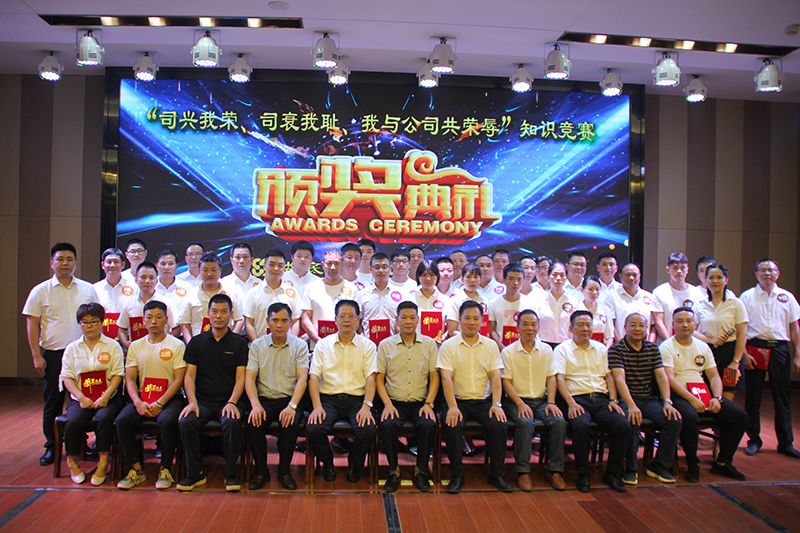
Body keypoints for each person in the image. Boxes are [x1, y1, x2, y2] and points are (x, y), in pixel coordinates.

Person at [23, 242, 99, 466]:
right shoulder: (40, 290)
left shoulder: (87, 289)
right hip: (54, 354)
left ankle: (81, 444)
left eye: (69, 259)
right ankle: (52, 447)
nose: (65, 263)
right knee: (53, 402)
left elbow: (97, 319)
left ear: (75, 262)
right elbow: (32, 324)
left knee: (82, 400)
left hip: (83, 354)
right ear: (52, 263)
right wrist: (36, 356)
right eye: (60, 259)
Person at [661, 307, 748, 482]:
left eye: (689, 321)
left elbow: (714, 376)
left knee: (739, 416)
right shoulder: (667, 346)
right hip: (680, 394)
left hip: (703, 393)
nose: (685, 325)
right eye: (680, 321)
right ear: (672, 324)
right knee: (689, 417)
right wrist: (692, 399)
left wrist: (717, 398)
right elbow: (669, 379)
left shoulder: (703, 346)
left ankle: (723, 463)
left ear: (695, 324)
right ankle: (693, 463)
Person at [437, 300, 510, 493]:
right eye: (467, 318)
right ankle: (457, 475)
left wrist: (496, 404)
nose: (471, 322)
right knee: (452, 424)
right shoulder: (448, 346)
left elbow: (496, 377)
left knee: (499, 424)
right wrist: (452, 407)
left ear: (481, 321)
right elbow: (446, 378)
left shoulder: (490, 346)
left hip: (483, 402)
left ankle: (497, 475)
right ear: (459, 320)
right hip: (457, 401)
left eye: (475, 318)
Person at [178, 294, 249, 492]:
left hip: (230, 399)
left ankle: (231, 473)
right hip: (202, 401)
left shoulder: (239, 343)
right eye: (215, 311)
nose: (219, 316)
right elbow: (189, 377)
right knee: (186, 421)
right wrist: (192, 402)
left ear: (231, 315)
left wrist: (232, 402)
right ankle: (195, 473)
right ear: (208, 314)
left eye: (224, 312)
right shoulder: (196, 342)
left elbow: (241, 378)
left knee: (232, 421)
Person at [554, 310, 631, 493]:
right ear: (571, 328)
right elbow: (559, 379)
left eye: (588, 325)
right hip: (577, 399)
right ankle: (583, 474)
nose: (585, 329)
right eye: (580, 325)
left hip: (602, 399)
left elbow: (609, 376)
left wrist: (613, 399)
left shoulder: (601, 348)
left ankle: (611, 473)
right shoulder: (562, 349)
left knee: (623, 425)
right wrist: (571, 403)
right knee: (580, 425)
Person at [116, 300, 187, 490]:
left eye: (158, 317)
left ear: (166, 319)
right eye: (149, 317)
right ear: (143, 320)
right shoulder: (135, 346)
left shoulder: (177, 345)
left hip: (170, 398)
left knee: (167, 421)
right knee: (123, 420)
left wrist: (160, 403)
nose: (154, 321)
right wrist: (137, 402)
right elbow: (130, 379)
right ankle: (136, 469)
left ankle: (165, 469)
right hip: (143, 397)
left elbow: (179, 380)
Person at [307, 300, 378, 483]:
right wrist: (317, 406)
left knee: (368, 430)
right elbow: (313, 377)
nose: (347, 320)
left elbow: (371, 378)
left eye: (351, 316)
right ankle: (327, 463)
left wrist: (367, 406)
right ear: (335, 319)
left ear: (358, 319)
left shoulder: (368, 346)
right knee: (314, 428)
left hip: (357, 400)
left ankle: (354, 464)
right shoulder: (323, 345)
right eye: (342, 316)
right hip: (329, 400)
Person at [609, 312, 681, 486]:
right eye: (633, 325)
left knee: (674, 419)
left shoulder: (652, 348)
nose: (637, 328)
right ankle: (631, 468)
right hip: (627, 400)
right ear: (625, 328)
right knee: (632, 420)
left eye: (641, 325)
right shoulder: (616, 349)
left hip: (648, 400)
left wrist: (667, 402)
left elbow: (661, 376)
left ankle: (659, 465)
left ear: (646, 329)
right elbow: (619, 380)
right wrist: (631, 405)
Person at [501, 310, 568, 491]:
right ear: (518, 327)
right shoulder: (508, 352)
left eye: (533, 324)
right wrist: (520, 404)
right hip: (517, 401)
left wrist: (551, 402)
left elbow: (551, 378)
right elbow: (506, 382)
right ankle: (523, 471)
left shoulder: (546, 350)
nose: (530, 328)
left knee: (559, 421)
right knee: (525, 422)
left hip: (542, 401)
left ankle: (555, 470)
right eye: (525, 324)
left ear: (538, 327)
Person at [376, 301, 439, 493]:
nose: (408, 321)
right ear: (397, 320)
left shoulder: (429, 344)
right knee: (388, 425)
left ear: (418, 320)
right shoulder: (386, 345)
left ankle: (420, 471)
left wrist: (429, 403)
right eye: (404, 317)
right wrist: (387, 404)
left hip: (421, 403)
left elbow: (434, 377)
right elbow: (379, 378)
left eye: (412, 317)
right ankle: (394, 471)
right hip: (394, 403)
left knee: (429, 424)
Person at [245, 303, 308, 490]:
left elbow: (302, 378)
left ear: (290, 322)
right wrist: (255, 405)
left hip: (290, 400)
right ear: (267, 322)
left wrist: (292, 406)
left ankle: (284, 472)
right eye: (275, 320)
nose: (279, 325)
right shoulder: (257, 346)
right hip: (264, 400)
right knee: (253, 423)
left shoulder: (300, 345)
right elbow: (250, 378)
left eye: (284, 320)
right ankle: (261, 472)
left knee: (290, 423)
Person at [59, 303, 124, 485]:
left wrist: (105, 396)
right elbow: (67, 377)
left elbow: (118, 374)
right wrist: (81, 398)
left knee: (103, 418)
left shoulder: (112, 346)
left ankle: (102, 462)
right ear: (79, 324)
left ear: (102, 322)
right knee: (73, 421)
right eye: (85, 322)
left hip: (108, 397)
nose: (90, 326)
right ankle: (72, 462)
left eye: (94, 321)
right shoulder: (72, 348)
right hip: (80, 398)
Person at [740, 259, 800, 459]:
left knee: (782, 396)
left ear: (778, 273)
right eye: (763, 270)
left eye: (771, 270)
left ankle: (786, 443)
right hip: (755, 347)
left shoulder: (787, 297)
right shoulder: (747, 296)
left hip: (780, 348)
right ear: (756, 274)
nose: (767, 273)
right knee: (753, 395)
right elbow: (742, 328)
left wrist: (798, 354)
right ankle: (753, 440)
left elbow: (795, 328)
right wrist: (744, 354)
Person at [694, 264, 748, 401]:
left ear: (726, 280)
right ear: (706, 280)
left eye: (719, 277)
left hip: (730, 353)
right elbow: (691, 331)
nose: (715, 281)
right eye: (711, 278)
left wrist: (736, 361)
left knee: (726, 402)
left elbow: (742, 335)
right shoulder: (700, 304)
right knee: (707, 398)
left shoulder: (736, 303)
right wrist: (710, 340)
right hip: (707, 352)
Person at [178, 252, 244, 342]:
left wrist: (230, 342)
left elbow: (239, 320)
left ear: (220, 271)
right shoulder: (191, 295)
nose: (209, 274)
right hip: (198, 345)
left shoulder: (231, 294)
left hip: (225, 343)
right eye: (205, 270)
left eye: (213, 270)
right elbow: (185, 323)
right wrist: (191, 345)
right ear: (199, 271)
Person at [300, 249, 358, 350]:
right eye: (329, 263)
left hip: (346, 345)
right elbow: (305, 319)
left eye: (337, 263)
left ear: (342, 264)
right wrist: (318, 340)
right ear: (323, 265)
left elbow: (357, 319)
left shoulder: (352, 289)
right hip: (318, 345)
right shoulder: (312, 287)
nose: (333, 267)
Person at [117, 262, 179, 351]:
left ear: (156, 281)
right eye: (143, 277)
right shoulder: (129, 303)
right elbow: (122, 329)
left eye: (151, 278)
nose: (147, 281)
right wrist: (126, 344)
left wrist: (164, 342)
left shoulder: (167, 303)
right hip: (136, 351)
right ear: (136, 280)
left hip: (160, 351)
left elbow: (176, 329)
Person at [243, 249, 300, 341]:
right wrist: (256, 345)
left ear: (284, 268)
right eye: (272, 264)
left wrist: (292, 344)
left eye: (280, 265)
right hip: (260, 345)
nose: (276, 269)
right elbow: (249, 323)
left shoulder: (292, 292)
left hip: (287, 346)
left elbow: (296, 321)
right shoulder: (253, 292)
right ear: (264, 267)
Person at [652, 253, 704, 343]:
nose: (679, 271)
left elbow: (700, 322)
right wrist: (670, 344)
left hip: (692, 343)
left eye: (683, 268)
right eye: (675, 268)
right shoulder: (659, 292)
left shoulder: (697, 293)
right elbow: (659, 322)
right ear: (668, 269)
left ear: (687, 270)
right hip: (667, 343)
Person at [488, 263, 535, 351]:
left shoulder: (530, 303)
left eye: (519, 279)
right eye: (511, 279)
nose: (515, 283)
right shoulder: (493, 303)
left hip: (524, 350)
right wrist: (501, 347)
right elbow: (491, 330)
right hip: (500, 350)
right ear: (504, 280)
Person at [93, 247, 136, 340]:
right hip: (102, 339)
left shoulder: (134, 287)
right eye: (109, 262)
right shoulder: (95, 288)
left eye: (116, 262)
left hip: (128, 339)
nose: (112, 265)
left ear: (123, 265)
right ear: (102, 265)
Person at [607, 263, 656, 342]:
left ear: (639, 276)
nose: (631, 278)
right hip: (621, 344)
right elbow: (610, 324)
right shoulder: (612, 296)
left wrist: (649, 344)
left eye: (635, 275)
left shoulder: (649, 296)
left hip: (645, 345)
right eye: (628, 275)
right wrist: (621, 345)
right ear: (620, 276)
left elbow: (653, 325)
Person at [356, 252, 398, 344]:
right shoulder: (362, 294)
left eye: (384, 267)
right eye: (377, 267)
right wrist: (362, 335)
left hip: (394, 344)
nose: (381, 270)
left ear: (390, 268)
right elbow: (358, 320)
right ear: (370, 269)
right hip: (368, 345)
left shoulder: (400, 294)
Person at [403, 260, 447, 344]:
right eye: (424, 275)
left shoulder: (445, 300)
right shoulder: (409, 299)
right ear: (418, 276)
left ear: (437, 276)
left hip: (438, 346)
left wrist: (445, 336)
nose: (428, 278)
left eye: (432, 275)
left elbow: (450, 327)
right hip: (414, 345)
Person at [536, 262, 576, 348]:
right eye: (554, 275)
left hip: (566, 346)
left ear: (566, 278)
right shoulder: (539, 300)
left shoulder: (573, 301)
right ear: (548, 277)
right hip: (544, 345)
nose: (558, 278)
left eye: (562, 275)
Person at [446, 264, 490, 338]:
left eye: (476, 277)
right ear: (462, 279)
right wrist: (472, 338)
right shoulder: (455, 301)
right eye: (468, 277)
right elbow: (452, 331)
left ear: (480, 279)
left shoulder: (484, 300)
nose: (472, 280)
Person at [576, 275, 615, 348]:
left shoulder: (605, 310)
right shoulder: (576, 309)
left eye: (597, 289)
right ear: (582, 290)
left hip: (601, 349)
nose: (594, 293)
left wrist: (606, 350)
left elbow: (609, 336)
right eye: (590, 289)